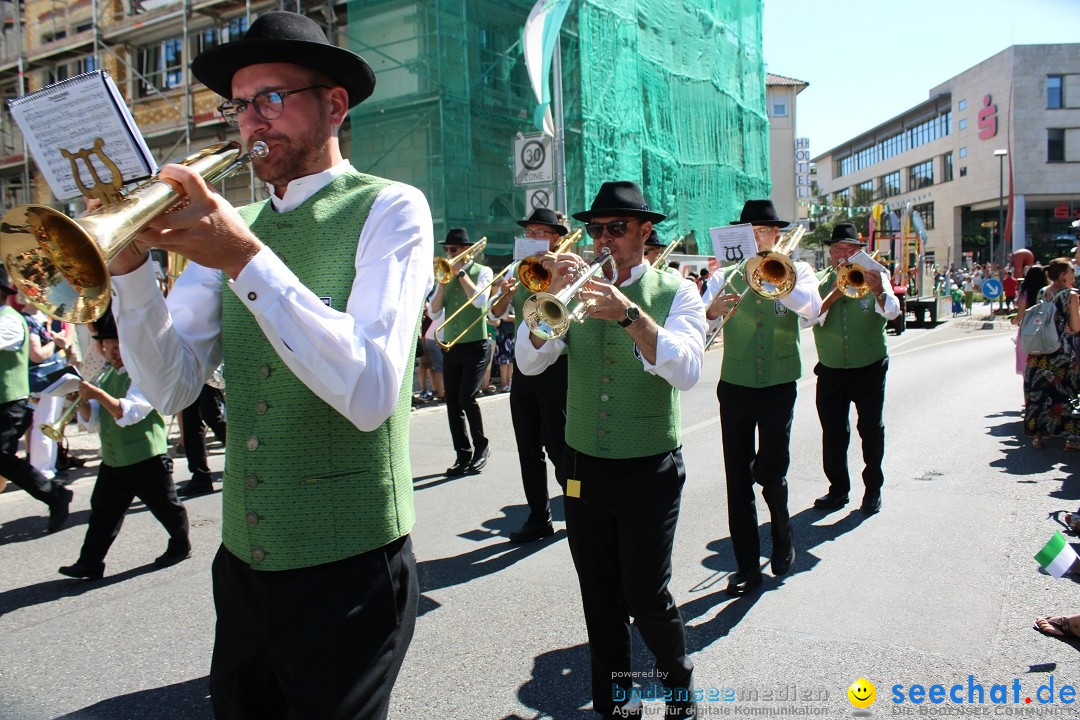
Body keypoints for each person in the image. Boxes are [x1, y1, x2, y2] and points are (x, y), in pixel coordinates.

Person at [105, 12, 433, 719]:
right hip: (245, 565)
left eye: (272, 99)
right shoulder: (234, 227)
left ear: (334, 104)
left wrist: (245, 261)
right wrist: (130, 270)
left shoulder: (390, 208)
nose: (252, 123)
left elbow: (372, 390)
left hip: (350, 564)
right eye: (241, 105)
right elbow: (170, 385)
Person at [516, 181, 706, 719]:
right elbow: (531, 365)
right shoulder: (572, 294)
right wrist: (544, 297)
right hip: (582, 467)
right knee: (599, 598)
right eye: (597, 230)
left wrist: (627, 313)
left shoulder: (677, 292)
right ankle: (617, 704)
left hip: (649, 467)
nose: (604, 240)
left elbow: (687, 371)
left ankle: (677, 684)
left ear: (645, 232)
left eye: (616, 229)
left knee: (646, 595)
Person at [701, 199, 821, 596]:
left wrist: (776, 282)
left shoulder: (797, 270)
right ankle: (747, 566)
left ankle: (782, 534)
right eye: (748, 232)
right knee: (738, 479)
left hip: (778, 382)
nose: (755, 238)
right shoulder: (725, 275)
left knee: (772, 470)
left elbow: (813, 309)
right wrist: (711, 310)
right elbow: (705, 321)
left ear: (776, 235)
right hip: (735, 382)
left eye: (762, 232)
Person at [58, 309, 191, 579]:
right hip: (114, 459)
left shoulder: (142, 375)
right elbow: (93, 420)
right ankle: (90, 562)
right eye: (107, 347)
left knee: (166, 506)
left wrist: (95, 393)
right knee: (103, 512)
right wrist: (83, 401)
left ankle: (181, 543)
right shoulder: (106, 377)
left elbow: (127, 413)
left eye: (116, 347)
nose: (111, 353)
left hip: (146, 457)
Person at [489, 207, 571, 543]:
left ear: (555, 237)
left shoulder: (564, 265)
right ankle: (539, 517)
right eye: (530, 232)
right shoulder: (521, 268)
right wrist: (506, 292)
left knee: (558, 445)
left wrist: (557, 273)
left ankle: (580, 506)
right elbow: (495, 313)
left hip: (556, 366)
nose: (533, 237)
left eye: (540, 232)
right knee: (528, 447)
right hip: (525, 368)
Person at [809, 224, 900, 514]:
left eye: (850, 249)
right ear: (831, 253)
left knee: (871, 429)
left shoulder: (877, 276)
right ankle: (838, 489)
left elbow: (893, 312)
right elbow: (806, 319)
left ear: (860, 252)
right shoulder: (819, 281)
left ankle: (873, 489)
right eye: (838, 249)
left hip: (869, 367)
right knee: (833, 432)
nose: (843, 254)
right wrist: (834, 294)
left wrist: (878, 292)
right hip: (831, 369)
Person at [0, 267, 71, 532]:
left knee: (2, 457)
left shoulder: (8, 320)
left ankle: (54, 494)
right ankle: (53, 493)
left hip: (10, 401)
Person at [429, 228, 493, 476]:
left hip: (477, 345)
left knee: (467, 397)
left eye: (452, 250)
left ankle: (481, 447)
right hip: (452, 345)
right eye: (446, 250)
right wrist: (444, 284)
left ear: (466, 251)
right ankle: (462, 454)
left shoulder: (482, 271)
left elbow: (479, 301)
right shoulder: (444, 276)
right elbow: (434, 313)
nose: (448, 254)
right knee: (452, 403)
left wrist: (462, 274)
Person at [1022, 258, 1080, 450]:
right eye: (1071, 271)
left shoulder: (1042, 292)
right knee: (1066, 392)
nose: (1074, 274)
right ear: (1063, 275)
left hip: (1040, 351)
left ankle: (1038, 435)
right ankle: (1071, 439)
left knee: (1040, 392)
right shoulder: (1071, 295)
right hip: (1061, 350)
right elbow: (1076, 326)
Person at [176, 382, 227, 497]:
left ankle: (244, 459)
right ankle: (200, 477)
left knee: (211, 416)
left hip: (205, 370)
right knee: (190, 421)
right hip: (188, 372)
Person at [1012, 265, 1047, 395]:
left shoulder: (1025, 293)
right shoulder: (1047, 293)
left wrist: (1013, 320)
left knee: (1027, 367)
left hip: (1028, 331)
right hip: (1044, 330)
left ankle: (1029, 398)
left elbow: (1020, 317)